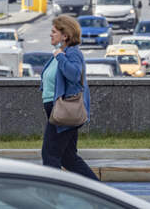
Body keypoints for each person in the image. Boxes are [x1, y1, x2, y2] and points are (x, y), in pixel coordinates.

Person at [41, 15, 98, 180]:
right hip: (57, 109)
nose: (50, 35)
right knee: (68, 157)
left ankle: (52, 197)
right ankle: (98, 191)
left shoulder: (72, 53)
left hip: (64, 111)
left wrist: (59, 56)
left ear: (65, 35)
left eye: (54, 32)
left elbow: (73, 74)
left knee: (50, 155)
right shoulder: (62, 52)